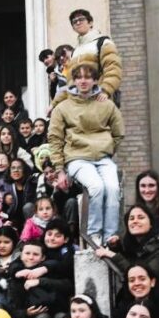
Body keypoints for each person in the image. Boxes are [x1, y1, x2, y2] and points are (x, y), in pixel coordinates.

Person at [48, 64, 124, 246]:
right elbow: (55, 138)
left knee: (113, 189)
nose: (83, 81)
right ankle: (94, 234)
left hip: (103, 157)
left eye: (88, 77)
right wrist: (60, 170)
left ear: (95, 80)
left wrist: (107, 148)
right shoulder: (63, 107)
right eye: (79, 77)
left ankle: (110, 236)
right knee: (96, 187)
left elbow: (118, 132)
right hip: (77, 157)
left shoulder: (106, 104)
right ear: (74, 80)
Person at [96, 204, 159, 288]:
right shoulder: (137, 248)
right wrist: (116, 247)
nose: (135, 221)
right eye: (131, 218)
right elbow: (130, 262)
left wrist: (112, 255)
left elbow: (141, 277)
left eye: (141, 217)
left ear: (151, 224)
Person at [51, 8, 123, 108]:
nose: (78, 22)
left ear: (90, 22)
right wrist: (54, 104)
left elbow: (113, 69)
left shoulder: (103, 43)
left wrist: (106, 91)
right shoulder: (75, 51)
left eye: (81, 19)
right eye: (74, 21)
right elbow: (70, 82)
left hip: (99, 100)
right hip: (79, 104)